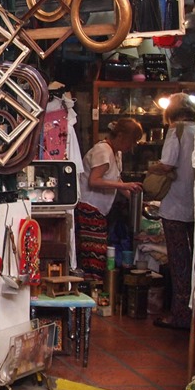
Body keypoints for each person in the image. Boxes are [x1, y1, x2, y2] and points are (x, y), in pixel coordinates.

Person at [149, 94, 195, 330]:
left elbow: (167, 163)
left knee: (179, 262)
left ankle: (180, 315)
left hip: (176, 205)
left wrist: (152, 168)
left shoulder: (176, 131)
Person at [75, 118, 144, 280]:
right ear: (120, 136)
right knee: (93, 255)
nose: (131, 147)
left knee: (99, 255)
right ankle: (91, 291)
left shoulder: (116, 153)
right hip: (88, 209)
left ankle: (94, 290)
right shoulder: (103, 150)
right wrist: (124, 186)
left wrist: (133, 196)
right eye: (131, 141)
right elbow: (94, 181)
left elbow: (116, 180)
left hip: (99, 211)